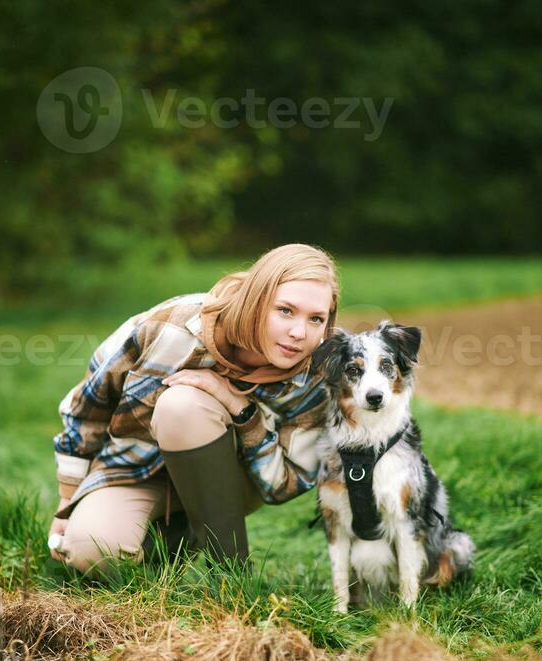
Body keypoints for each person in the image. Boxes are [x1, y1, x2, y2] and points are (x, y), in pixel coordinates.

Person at [48, 243, 339, 574]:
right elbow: (88, 408)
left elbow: (284, 484)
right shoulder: (170, 328)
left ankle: (231, 574)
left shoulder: (320, 372)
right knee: (91, 554)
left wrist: (240, 409)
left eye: (316, 318)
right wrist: (67, 498)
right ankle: (176, 537)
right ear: (256, 300)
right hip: (136, 469)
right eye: (285, 310)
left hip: (233, 477)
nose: (299, 333)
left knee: (183, 405)